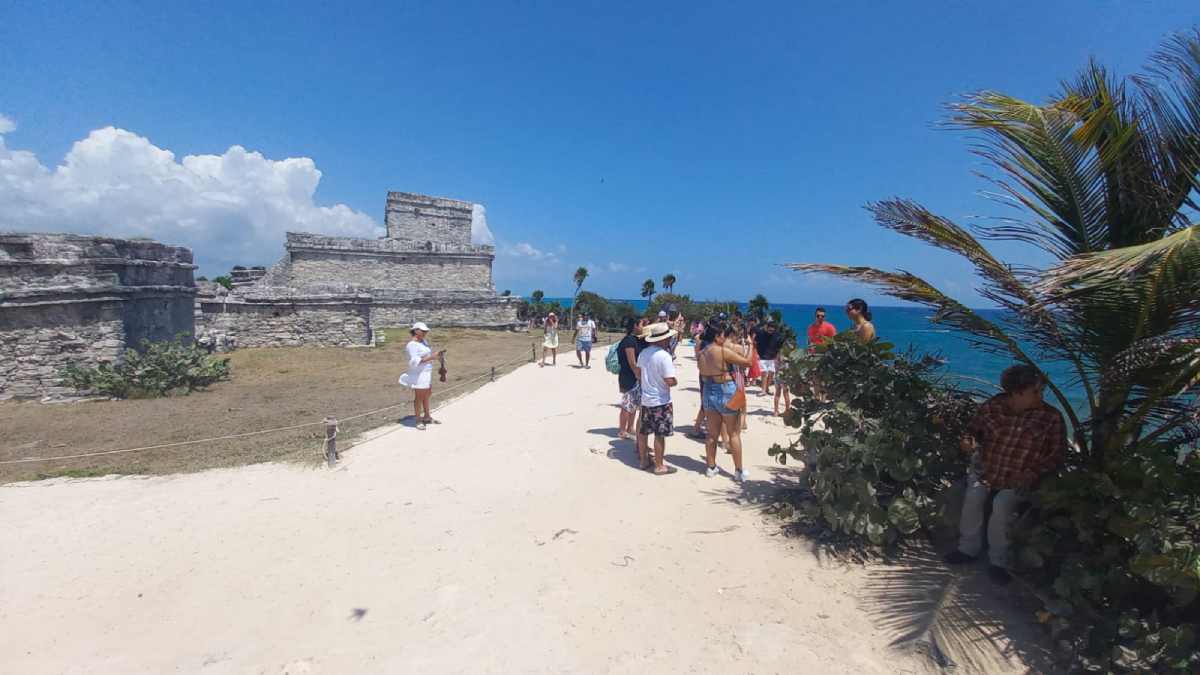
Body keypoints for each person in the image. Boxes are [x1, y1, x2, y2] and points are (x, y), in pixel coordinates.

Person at [944, 365, 1066, 584]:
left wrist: (1032, 472)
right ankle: (967, 550)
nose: (1041, 396)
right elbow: (973, 430)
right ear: (1017, 393)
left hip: (1020, 479)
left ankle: (998, 562)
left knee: (1002, 504)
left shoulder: (1051, 418)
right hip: (988, 471)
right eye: (1035, 392)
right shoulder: (993, 407)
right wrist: (968, 440)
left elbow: (1057, 455)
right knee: (974, 495)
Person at [698, 322, 755, 481]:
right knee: (734, 433)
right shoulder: (722, 351)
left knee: (712, 433)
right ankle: (738, 471)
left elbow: (703, 372)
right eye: (723, 334)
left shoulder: (701, 353)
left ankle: (711, 467)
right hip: (725, 389)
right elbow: (748, 362)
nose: (725, 337)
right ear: (717, 336)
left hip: (708, 389)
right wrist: (751, 346)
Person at [636, 322, 679, 475]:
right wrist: (675, 381)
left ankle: (643, 460)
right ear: (662, 339)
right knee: (659, 434)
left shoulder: (643, 353)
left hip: (646, 399)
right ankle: (659, 465)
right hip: (661, 400)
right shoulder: (664, 356)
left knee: (643, 431)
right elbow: (670, 381)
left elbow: (639, 374)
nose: (668, 341)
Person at [399, 322, 445, 431]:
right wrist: (432, 357)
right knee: (419, 397)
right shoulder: (412, 345)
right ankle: (418, 419)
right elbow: (414, 361)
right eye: (423, 331)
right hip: (418, 374)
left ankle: (427, 416)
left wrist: (437, 357)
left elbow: (427, 355)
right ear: (416, 331)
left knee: (427, 394)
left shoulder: (423, 342)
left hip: (426, 372)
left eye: (426, 331)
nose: (425, 333)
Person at [616, 317, 643, 440]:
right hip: (628, 376)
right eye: (642, 324)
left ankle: (630, 427)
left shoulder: (636, 340)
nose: (644, 327)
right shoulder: (629, 341)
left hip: (634, 376)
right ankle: (622, 430)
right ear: (635, 326)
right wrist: (638, 375)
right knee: (627, 404)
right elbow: (632, 362)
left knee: (634, 404)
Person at [755, 320, 785, 396]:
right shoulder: (761, 333)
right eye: (769, 329)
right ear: (767, 328)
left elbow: (780, 347)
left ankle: (767, 388)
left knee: (771, 374)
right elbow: (755, 342)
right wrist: (756, 353)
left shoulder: (778, 336)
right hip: (762, 357)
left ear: (774, 329)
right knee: (764, 374)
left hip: (772, 358)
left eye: (772, 330)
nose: (770, 331)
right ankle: (763, 390)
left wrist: (779, 357)